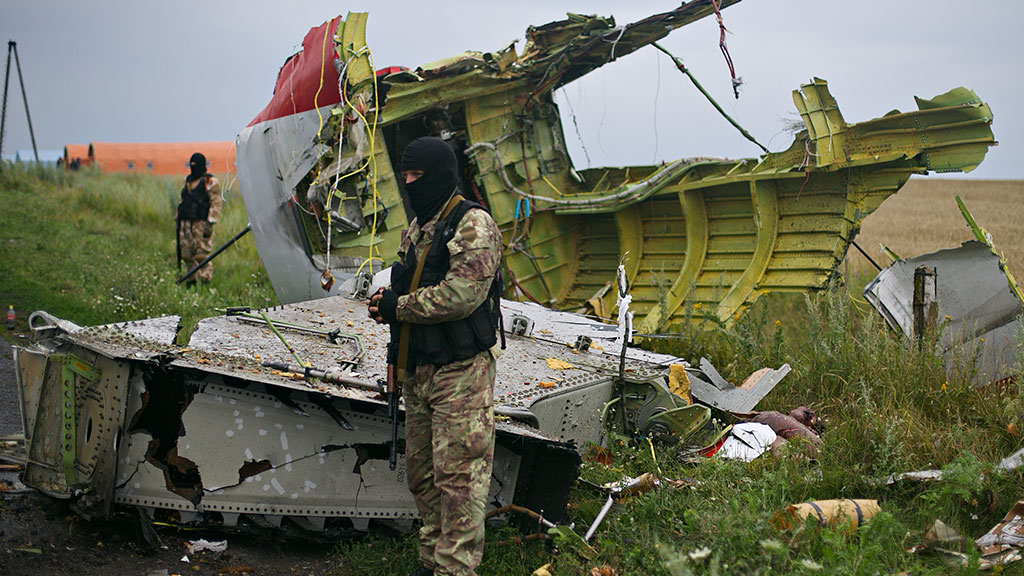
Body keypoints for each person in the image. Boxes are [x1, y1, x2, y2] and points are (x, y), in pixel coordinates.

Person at [367, 136, 503, 576]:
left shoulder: (472, 225)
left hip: (460, 374)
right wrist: (386, 305)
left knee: (459, 482)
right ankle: (432, 563)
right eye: (404, 176)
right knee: (423, 479)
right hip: (421, 373)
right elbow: (410, 284)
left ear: (439, 176)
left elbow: (462, 295)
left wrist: (398, 307)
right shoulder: (419, 226)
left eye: (416, 177)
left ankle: (454, 570)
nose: (408, 185)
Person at [176, 152, 222, 286]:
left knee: (202, 255)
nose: (193, 167)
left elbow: (216, 203)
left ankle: (205, 282)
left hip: (200, 224)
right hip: (185, 224)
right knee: (186, 254)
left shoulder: (210, 182)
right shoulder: (187, 181)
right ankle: (191, 282)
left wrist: (210, 222)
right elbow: (182, 201)